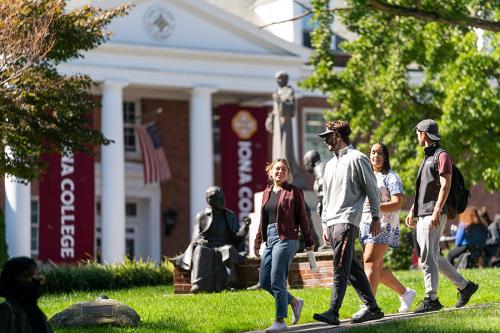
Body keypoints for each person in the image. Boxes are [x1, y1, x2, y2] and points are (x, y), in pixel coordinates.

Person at [313, 120, 384, 326]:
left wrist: (376, 217)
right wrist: (325, 224)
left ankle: (333, 311)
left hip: (347, 219)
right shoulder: (329, 165)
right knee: (351, 267)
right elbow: (326, 198)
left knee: (340, 265)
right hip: (333, 221)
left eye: (329, 136)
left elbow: (373, 190)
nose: (325, 140)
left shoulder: (358, 158)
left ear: (339, 136)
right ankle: (373, 308)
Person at [405, 119, 478, 313]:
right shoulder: (427, 157)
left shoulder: (441, 155)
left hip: (433, 213)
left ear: (424, 134)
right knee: (434, 255)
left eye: (418, 133)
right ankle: (465, 286)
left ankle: (432, 298)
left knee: (427, 257)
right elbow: (424, 189)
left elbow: (445, 186)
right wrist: (413, 209)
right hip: (424, 212)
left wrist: (437, 210)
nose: (417, 136)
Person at [353, 142, 416, 316]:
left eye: (380, 153)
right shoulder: (367, 176)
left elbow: (397, 203)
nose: (376, 156)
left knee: (369, 262)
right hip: (365, 224)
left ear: (386, 156)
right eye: (373, 152)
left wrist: (376, 207)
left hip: (383, 223)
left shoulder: (391, 177)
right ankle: (406, 293)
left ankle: (369, 305)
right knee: (377, 267)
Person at [254, 158, 315, 332]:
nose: (280, 172)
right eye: (277, 169)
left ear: (288, 173)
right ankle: (294, 302)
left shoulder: (294, 191)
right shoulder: (267, 192)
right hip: (270, 239)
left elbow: (303, 218)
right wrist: (258, 241)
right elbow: (263, 220)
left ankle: (280, 321)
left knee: (277, 279)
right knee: (264, 281)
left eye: (283, 169)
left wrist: (309, 241)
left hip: (287, 238)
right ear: (270, 171)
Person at [174, 186, 250, 293]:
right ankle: (197, 284)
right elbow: (196, 235)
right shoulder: (201, 216)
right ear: (210, 200)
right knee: (200, 250)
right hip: (208, 247)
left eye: (223, 198)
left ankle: (229, 284)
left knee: (228, 250)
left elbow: (237, 236)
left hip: (224, 247)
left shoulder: (230, 215)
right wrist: (200, 241)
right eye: (220, 199)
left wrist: (245, 227)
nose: (223, 201)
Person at [0, 256, 53, 333]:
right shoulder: (5, 313)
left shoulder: (39, 314)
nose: (37, 280)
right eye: (29, 276)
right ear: (12, 281)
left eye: (38, 275)